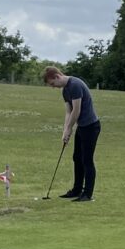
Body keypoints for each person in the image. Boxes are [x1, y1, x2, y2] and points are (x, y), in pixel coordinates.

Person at [43, 66, 101, 202]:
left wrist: (69, 128)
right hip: (82, 127)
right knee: (77, 158)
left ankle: (87, 194)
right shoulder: (65, 90)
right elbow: (68, 112)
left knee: (87, 160)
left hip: (91, 126)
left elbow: (77, 110)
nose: (53, 87)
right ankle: (76, 190)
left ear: (57, 76)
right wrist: (65, 131)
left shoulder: (74, 85)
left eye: (52, 83)